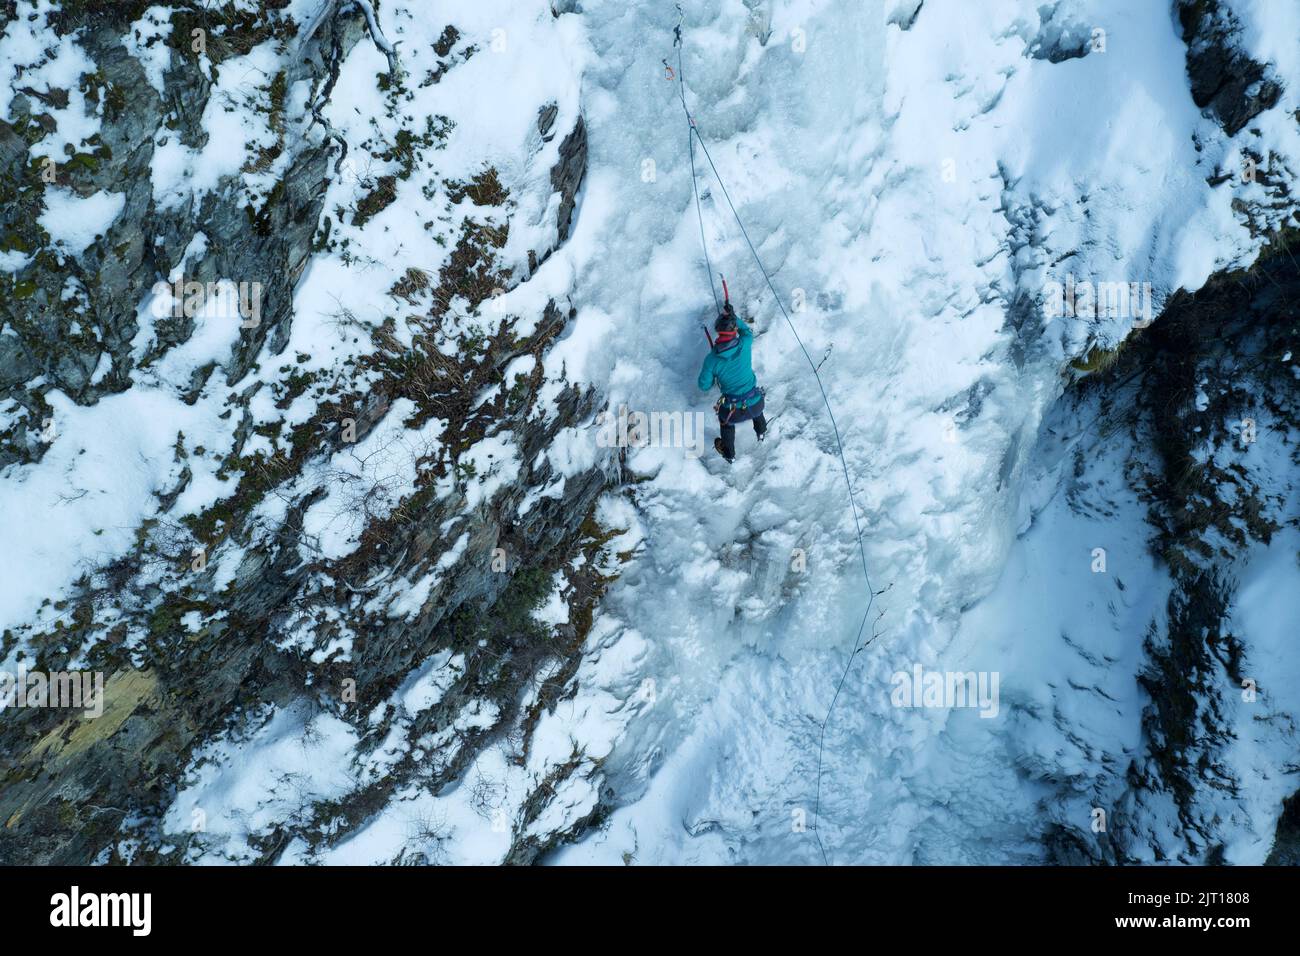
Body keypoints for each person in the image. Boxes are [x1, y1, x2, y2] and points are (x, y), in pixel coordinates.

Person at [697, 301, 767, 462]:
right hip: (756, 403)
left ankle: (729, 454)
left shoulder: (712, 359)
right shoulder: (745, 343)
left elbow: (703, 386)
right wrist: (734, 317)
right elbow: (746, 331)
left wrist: (715, 377)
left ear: (718, 332)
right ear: (734, 330)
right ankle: (761, 431)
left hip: (732, 412)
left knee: (726, 423)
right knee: (757, 409)